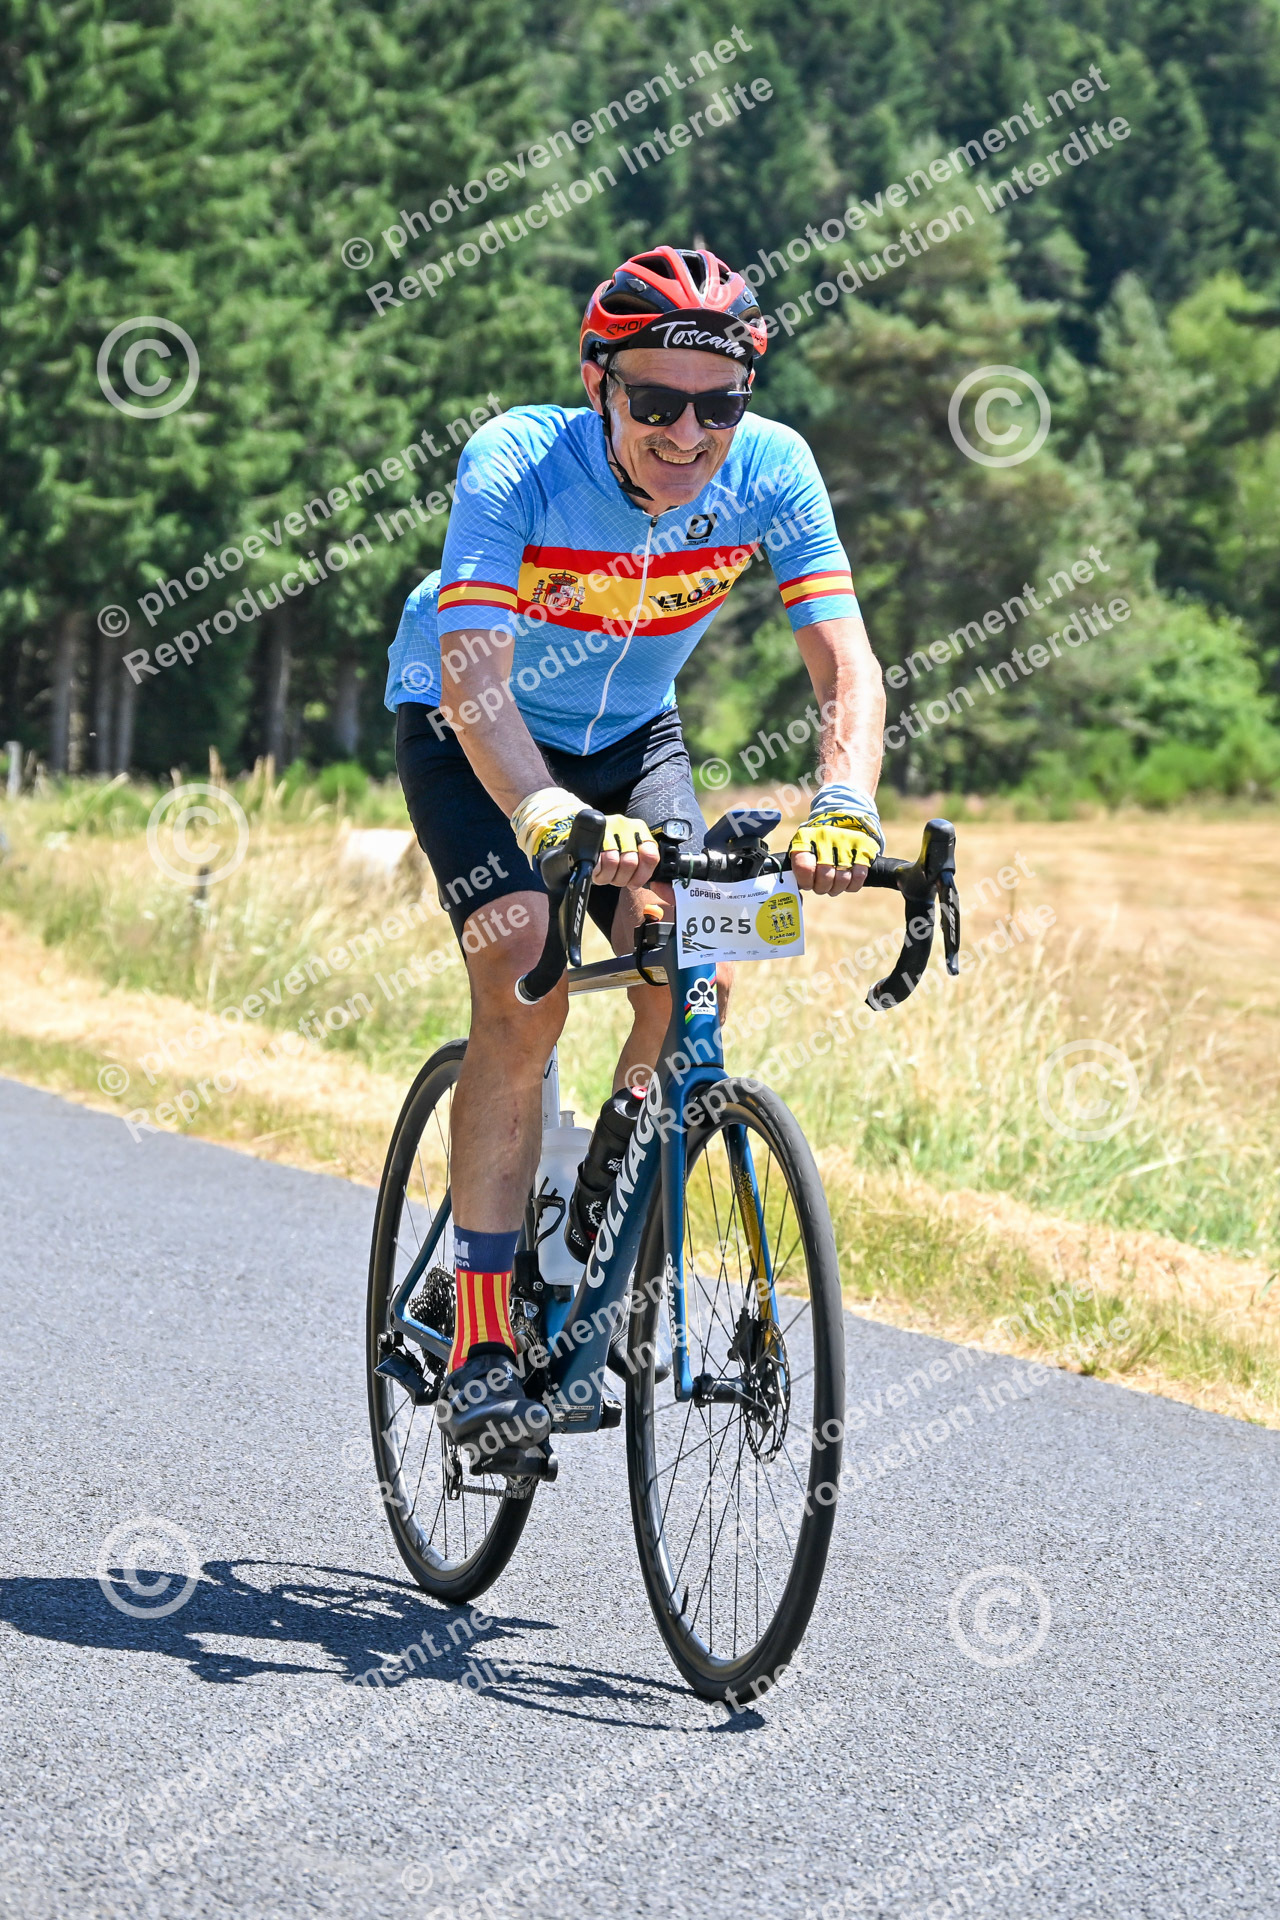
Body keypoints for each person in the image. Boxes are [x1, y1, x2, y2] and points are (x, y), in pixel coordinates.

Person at [385, 245, 885, 1456]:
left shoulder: (772, 470)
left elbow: (843, 662)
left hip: (629, 737)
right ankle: (483, 1336)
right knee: (525, 970)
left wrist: (844, 802)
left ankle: (589, 1223)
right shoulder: (517, 460)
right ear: (597, 383)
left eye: (718, 407)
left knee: (687, 961)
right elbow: (473, 673)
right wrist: (539, 814)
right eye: (655, 402)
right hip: (472, 727)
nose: (687, 434)